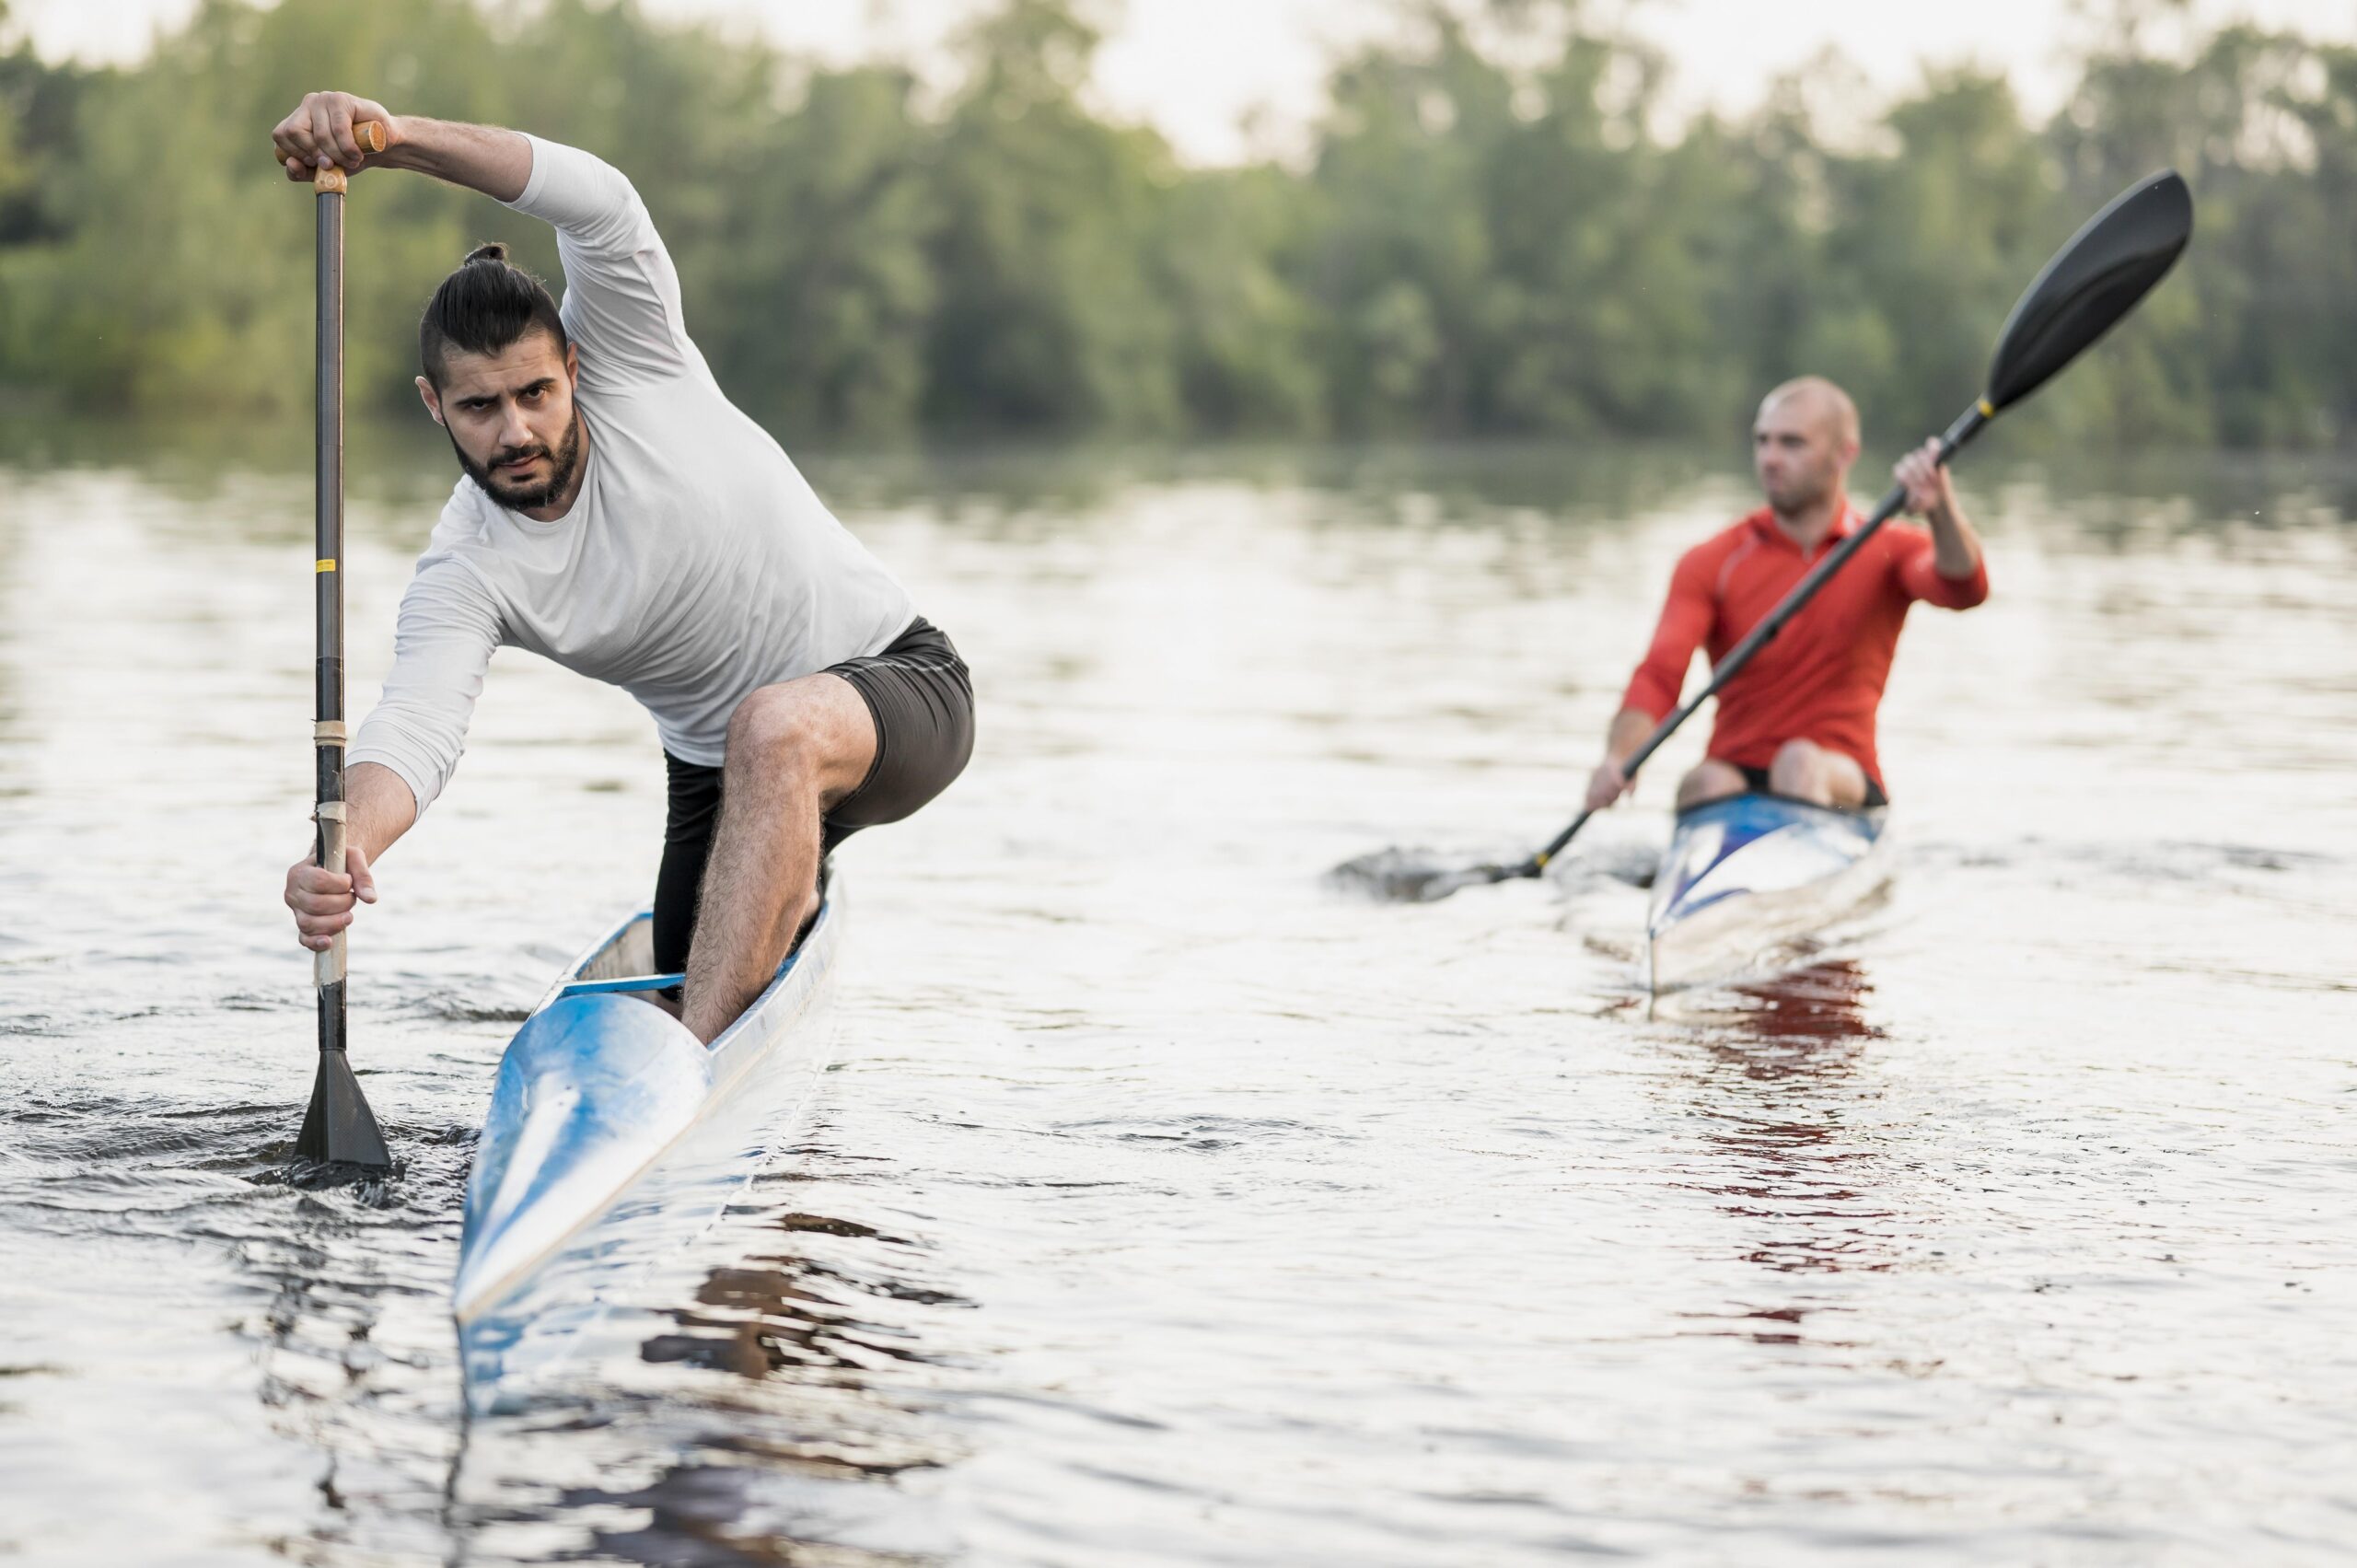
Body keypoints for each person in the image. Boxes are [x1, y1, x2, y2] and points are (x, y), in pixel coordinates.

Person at [273, 92, 973, 1043]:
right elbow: (414, 734)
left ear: (573, 359)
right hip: (715, 775)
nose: (516, 430)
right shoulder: (468, 568)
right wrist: (341, 846)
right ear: (434, 406)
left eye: (536, 392)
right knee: (717, 884)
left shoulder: (635, 351)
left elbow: (596, 200)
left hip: (898, 683)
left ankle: (697, 1067)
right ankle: (785, 905)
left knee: (772, 732)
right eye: (480, 407)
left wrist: (390, 139)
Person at [1586, 377, 1986, 817]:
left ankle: (1797, 868)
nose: (1771, 458)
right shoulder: (1712, 561)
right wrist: (1619, 757)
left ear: (1843, 455)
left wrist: (1941, 509)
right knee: (1703, 780)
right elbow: (1660, 676)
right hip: (1735, 773)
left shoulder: (1890, 548)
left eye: (1792, 444)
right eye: (1763, 441)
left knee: (1798, 762)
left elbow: (1965, 588)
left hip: (1841, 777)